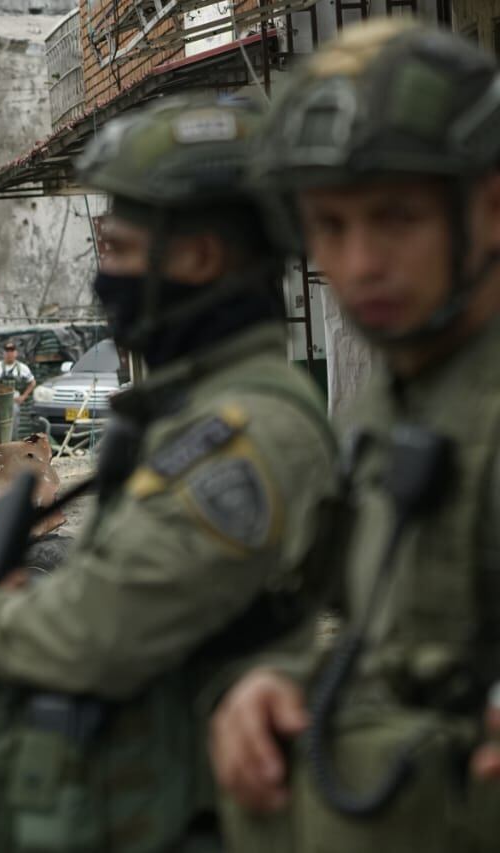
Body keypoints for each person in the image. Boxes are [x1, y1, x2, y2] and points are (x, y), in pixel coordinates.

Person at [0, 93, 336, 852]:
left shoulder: (249, 433)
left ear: (201, 257)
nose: (102, 278)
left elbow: (104, 625)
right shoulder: (185, 416)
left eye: (116, 249)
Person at [209, 20, 500, 852]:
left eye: (396, 216)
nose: (361, 261)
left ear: (490, 206)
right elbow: (391, 642)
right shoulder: (392, 407)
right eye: (329, 226)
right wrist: (278, 682)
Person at [0, 342, 36, 439]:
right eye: (7, 351)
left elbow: (32, 382)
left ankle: (11, 441)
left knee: (13, 423)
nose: (9, 354)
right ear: (3, 353)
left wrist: (23, 396)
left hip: (13, 400)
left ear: (16, 353)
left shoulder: (22, 368)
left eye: (12, 351)